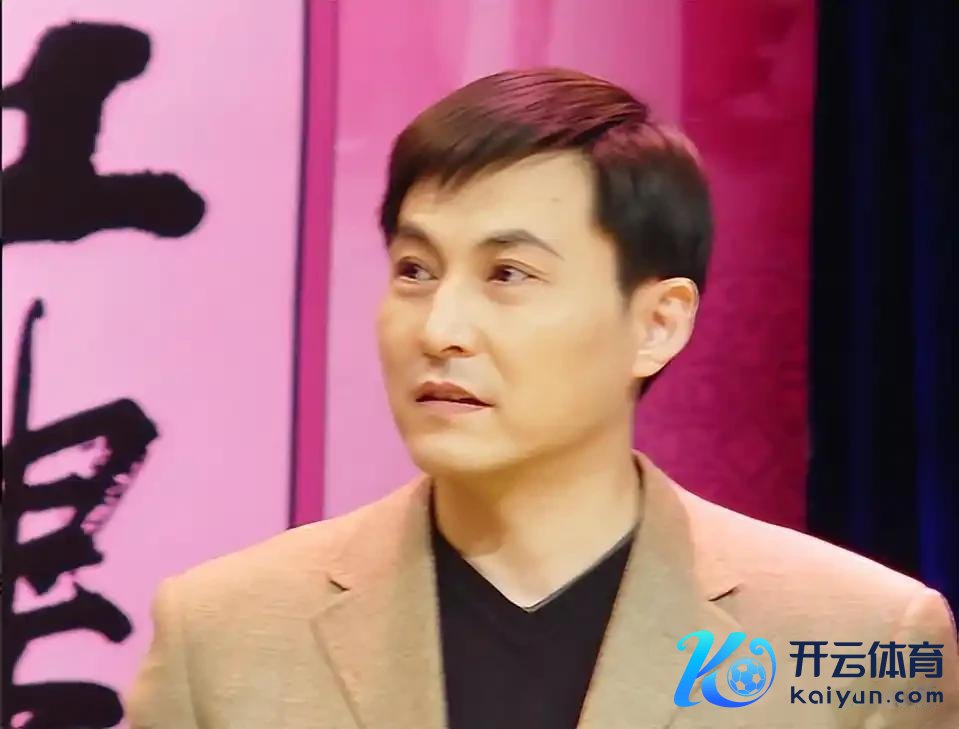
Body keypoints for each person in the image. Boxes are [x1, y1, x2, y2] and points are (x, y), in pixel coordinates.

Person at [125, 68, 958, 729]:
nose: (440, 328)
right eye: (415, 270)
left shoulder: (861, 637)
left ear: (656, 323)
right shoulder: (223, 631)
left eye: (507, 274)